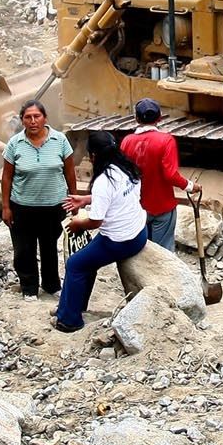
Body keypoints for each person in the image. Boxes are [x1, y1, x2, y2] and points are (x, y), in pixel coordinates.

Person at [53, 131, 147, 333]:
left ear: (94, 156)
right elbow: (116, 199)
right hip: (139, 231)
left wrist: (77, 224)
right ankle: (73, 305)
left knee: (75, 264)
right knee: (87, 260)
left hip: (119, 241)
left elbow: (95, 221)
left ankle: (69, 320)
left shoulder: (103, 181)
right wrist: (86, 200)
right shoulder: (127, 168)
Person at [1, 100, 78, 298]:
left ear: (45, 118)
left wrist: (74, 199)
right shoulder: (14, 144)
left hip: (53, 206)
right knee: (24, 250)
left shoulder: (59, 140)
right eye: (28, 117)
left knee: (49, 247)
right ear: (22, 120)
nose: (33, 121)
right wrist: (5, 207)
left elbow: (70, 172)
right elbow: (7, 177)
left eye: (37, 116)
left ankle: (52, 285)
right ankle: (29, 289)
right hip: (22, 207)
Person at [120, 98, 188, 252]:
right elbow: (171, 174)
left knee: (141, 251)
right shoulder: (166, 140)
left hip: (138, 207)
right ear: (159, 118)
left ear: (137, 118)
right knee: (164, 252)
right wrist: (189, 186)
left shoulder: (127, 141)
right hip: (162, 205)